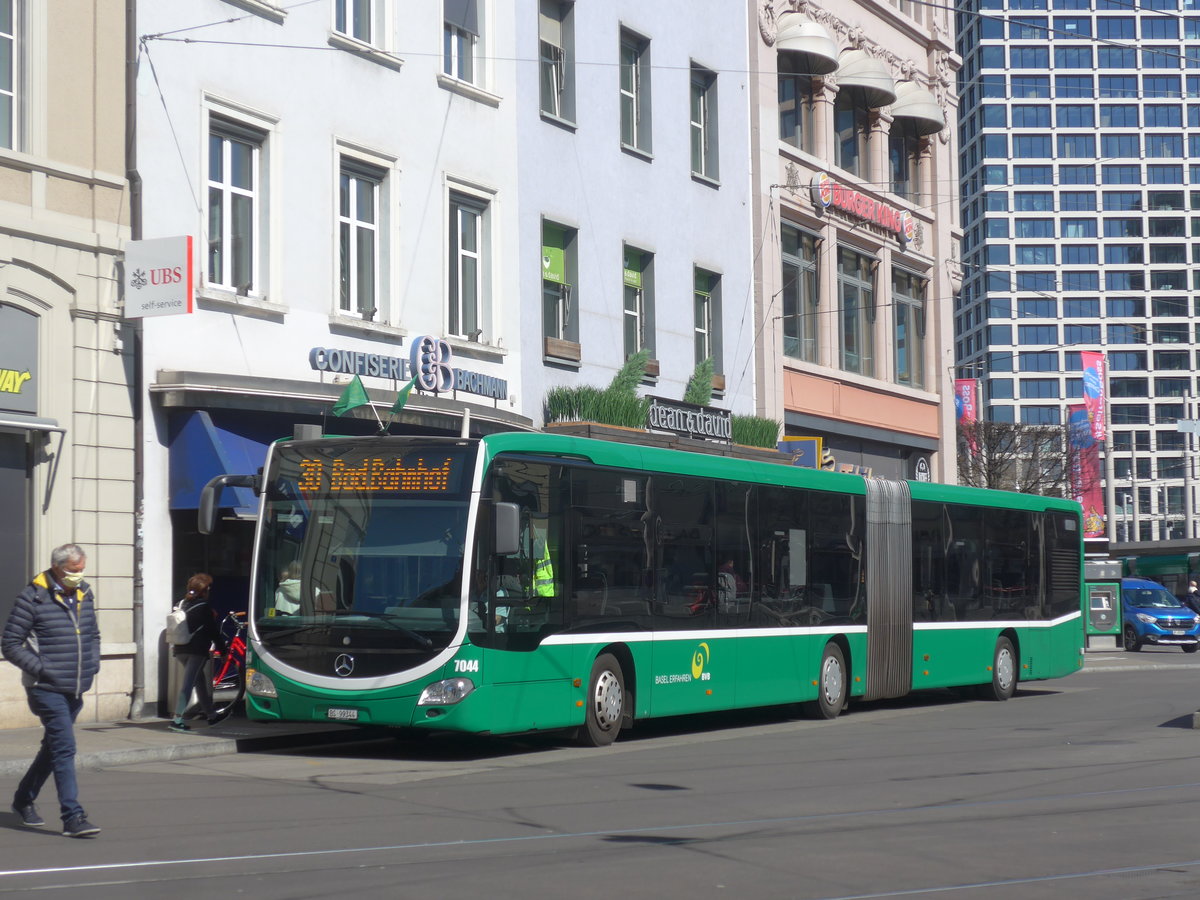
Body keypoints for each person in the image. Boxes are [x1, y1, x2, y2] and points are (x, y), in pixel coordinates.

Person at [2, 543, 102, 838]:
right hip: (45, 688)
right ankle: (72, 816)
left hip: (76, 686)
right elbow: (10, 644)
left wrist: (93, 663)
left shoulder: (84, 593)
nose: (79, 574)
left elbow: (93, 633)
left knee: (53, 749)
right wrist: (43, 669)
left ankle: (23, 800)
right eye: (74, 570)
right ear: (57, 568)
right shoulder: (32, 597)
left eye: (82, 568)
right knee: (65, 748)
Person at [168, 573, 227, 733]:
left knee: (199, 680)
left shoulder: (180, 603)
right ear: (205, 590)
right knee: (188, 684)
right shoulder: (204, 607)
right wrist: (223, 650)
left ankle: (211, 715)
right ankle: (177, 719)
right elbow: (213, 631)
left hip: (180, 649)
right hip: (196, 650)